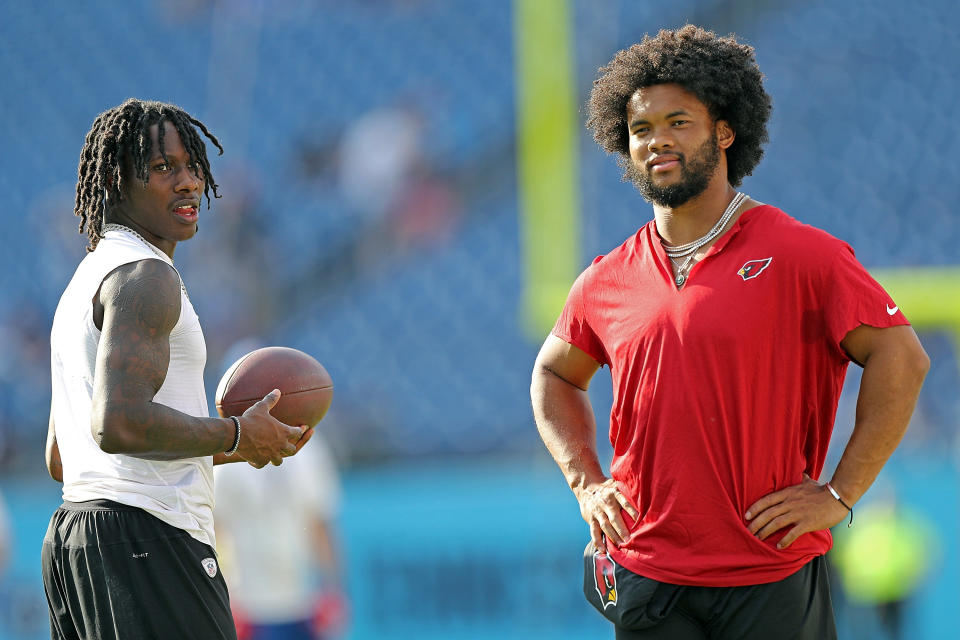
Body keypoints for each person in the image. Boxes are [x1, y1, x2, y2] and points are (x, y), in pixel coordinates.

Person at [530, 25, 929, 640]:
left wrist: (840, 494)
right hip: (647, 571)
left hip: (769, 568)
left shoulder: (803, 254)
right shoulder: (604, 278)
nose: (657, 140)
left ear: (724, 130)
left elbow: (902, 358)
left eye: (678, 122)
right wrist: (586, 482)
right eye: (641, 129)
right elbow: (554, 373)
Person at [42, 99, 314, 640]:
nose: (188, 182)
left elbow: (61, 455)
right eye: (165, 167)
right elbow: (117, 425)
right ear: (118, 179)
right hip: (148, 538)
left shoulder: (86, 279)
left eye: (192, 166)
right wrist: (236, 431)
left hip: (76, 541)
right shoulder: (147, 276)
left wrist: (244, 444)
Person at [215, 432, 347, 640]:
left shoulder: (309, 448)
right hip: (248, 603)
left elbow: (319, 523)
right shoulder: (228, 443)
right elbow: (216, 532)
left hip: (302, 600)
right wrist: (223, 598)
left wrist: (332, 587)